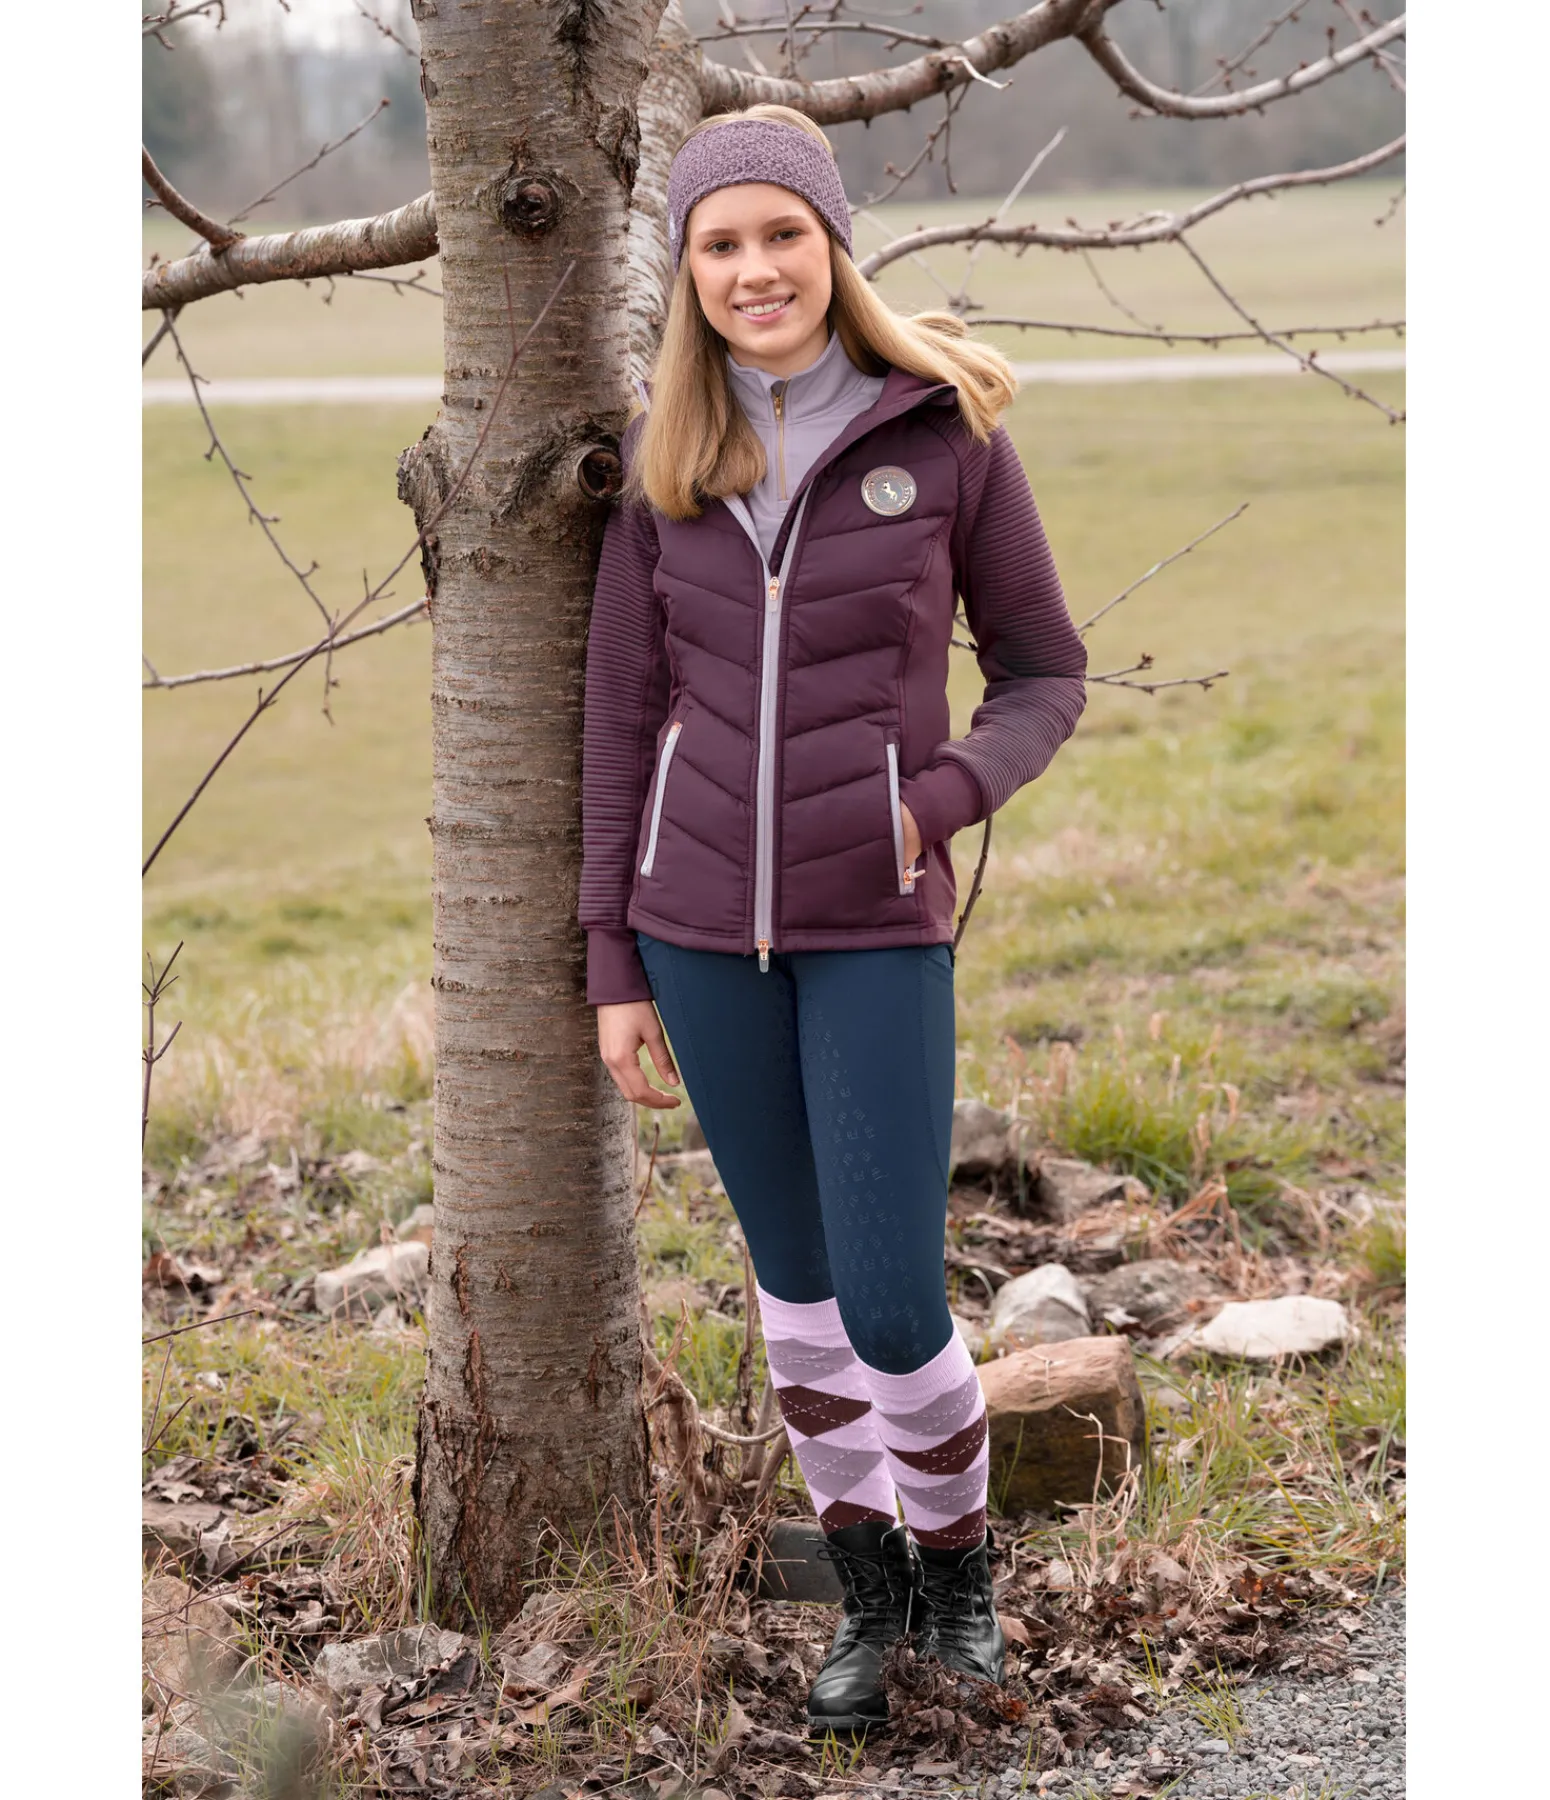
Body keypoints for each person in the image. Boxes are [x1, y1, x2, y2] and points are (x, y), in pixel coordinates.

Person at [579, 103, 1087, 1734]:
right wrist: (612, 961)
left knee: (888, 1302)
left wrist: (931, 804)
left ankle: (959, 1576)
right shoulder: (664, 468)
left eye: (779, 235)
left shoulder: (942, 435)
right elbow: (616, 729)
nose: (754, 270)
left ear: (831, 244)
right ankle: (866, 1603)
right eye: (719, 244)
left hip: (875, 925)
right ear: (687, 271)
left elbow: (1043, 672)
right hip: (694, 936)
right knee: (795, 1300)